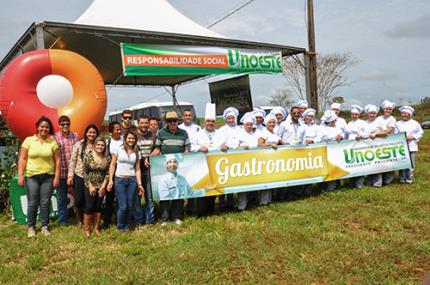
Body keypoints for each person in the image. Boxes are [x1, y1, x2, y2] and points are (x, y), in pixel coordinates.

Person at [18, 116, 60, 237]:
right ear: (37, 127)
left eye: (47, 127)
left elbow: (57, 160)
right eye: (42, 126)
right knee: (32, 203)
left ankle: (44, 226)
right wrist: (20, 175)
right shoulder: (29, 140)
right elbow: (23, 158)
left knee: (45, 202)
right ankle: (31, 227)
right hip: (31, 176)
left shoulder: (52, 142)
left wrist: (56, 177)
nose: (44, 129)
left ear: (49, 129)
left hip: (48, 176)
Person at [151, 111, 190, 225]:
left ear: (178, 121)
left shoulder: (184, 133)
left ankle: (177, 216)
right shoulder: (161, 133)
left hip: (179, 167)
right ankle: (165, 218)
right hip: (165, 167)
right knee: (165, 193)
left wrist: (185, 160)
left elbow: (187, 149)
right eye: (170, 121)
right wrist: (148, 159)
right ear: (166, 122)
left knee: (178, 192)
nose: (172, 123)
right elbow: (157, 149)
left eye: (174, 120)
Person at [108, 131, 144, 232]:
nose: (131, 140)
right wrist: (111, 180)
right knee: (123, 206)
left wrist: (140, 184)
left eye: (133, 138)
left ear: (135, 140)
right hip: (119, 180)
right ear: (125, 139)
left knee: (130, 205)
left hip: (132, 180)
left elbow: (137, 169)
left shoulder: (137, 152)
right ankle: (120, 227)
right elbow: (112, 164)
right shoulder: (118, 149)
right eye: (129, 138)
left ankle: (127, 226)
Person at [192, 103, 222, 218]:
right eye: (208, 121)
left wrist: (225, 146)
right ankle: (200, 213)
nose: (210, 123)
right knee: (202, 189)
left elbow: (227, 144)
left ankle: (210, 210)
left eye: (212, 121)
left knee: (213, 188)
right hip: (201, 165)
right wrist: (199, 148)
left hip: (215, 165)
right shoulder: (197, 134)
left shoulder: (220, 133)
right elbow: (191, 147)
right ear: (204, 122)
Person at [68, 124, 99, 226]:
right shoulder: (79, 144)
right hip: (79, 175)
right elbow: (73, 160)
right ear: (86, 133)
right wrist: (70, 175)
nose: (92, 134)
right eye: (90, 132)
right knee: (79, 199)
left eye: (94, 132)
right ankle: (79, 219)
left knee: (90, 200)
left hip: (93, 177)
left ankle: (88, 221)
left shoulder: (99, 144)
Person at [53, 115, 79, 226]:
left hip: (74, 172)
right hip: (61, 172)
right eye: (63, 124)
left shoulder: (75, 136)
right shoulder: (54, 138)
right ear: (59, 125)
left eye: (67, 123)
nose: (65, 125)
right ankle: (63, 220)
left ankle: (80, 218)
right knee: (61, 197)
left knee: (79, 196)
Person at [82, 137, 110, 237]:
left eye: (102, 145)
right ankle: (87, 228)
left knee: (98, 207)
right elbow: (84, 172)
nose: (100, 147)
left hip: (101, 185)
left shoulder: (107, 158)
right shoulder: (88, 156)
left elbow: (108, 173)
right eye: (98, 145)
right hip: (89, 185)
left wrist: (103, 187)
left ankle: (96, 227)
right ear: (94, 145)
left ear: (105, 147)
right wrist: (90, 186)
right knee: (89, 207)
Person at [217, 107, 241, 211]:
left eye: (232, 118)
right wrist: (223, 145)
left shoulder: (239, 129)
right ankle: (222, 202)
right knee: (223, 179)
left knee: (232, 179)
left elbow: (243, 140)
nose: (231, 120)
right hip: (224, 157)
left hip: (236, 158)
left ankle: (230, 202)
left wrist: (242, 145)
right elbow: (218, 142)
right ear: (226, 119)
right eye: (229, 118)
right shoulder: (222, 129)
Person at [178, 109, 201, 216]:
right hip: (183, 159)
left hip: (195, 159)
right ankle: (181, 207)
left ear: (192, 117)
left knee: (193, 183)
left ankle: (192, 207)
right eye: (186, 115)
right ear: (183, 117)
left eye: (189, 115)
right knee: (182, 184)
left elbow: (201, 143)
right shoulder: (179, 128)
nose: (188, 117)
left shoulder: (198, 128)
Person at [257, 114, 283, 205]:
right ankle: (262, 201)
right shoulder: (263, 132)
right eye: (270, 122)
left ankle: (268, 200)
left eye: (273, 122)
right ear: (266, 123)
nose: (272, 124)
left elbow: (281, 141)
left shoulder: (274, 133)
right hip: (265, 158)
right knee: (265, 179)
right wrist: (270, 145)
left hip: (274, 159)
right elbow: (260, 144)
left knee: (271, 179)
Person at [316, 110, 345, 191]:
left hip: (336, 151)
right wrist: (334, 137)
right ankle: (323, 187)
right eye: (334, 120)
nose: (335, 121)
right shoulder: (321, 128)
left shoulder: (336, 127)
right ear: (330, 121)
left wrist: (341, 136)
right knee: (326, 170)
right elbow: (323, 137)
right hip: (326, 152)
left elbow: (342, 133)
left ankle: (335, 186)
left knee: (336, 168)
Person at [237, 112, 260, 211]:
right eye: (247, 124)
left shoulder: (255, 135)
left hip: (254, 161)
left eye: (251, 124)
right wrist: (241, 147)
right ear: (244, 125)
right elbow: (233, 146)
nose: (249, 126)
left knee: (253, 183)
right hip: (242, 162)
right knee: (243, 184)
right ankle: (241, 206)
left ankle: (252, 202)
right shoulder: (239, 134)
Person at [136, 115, 156, 225]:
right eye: (142, 123)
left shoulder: (153, 135)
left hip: (149, 171)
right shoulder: (133, 135)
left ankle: (150, 221)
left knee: (149, 197)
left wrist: (151, 156)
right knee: (137, 198)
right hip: (137, 171)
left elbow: (158, 148)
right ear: (138, 123)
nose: (144, 125)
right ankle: (138, 220)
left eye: (146, 123)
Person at [395, 106, 423, 184]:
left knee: (411, 164)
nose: (404, 115)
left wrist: (413, 137)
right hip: (401, 146)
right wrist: (401, 138)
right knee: (402, 164)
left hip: (412, 146)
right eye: (403, 113)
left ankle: (409, 179)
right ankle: (401, 179)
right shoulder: (397, 123)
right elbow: (395, 134)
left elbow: (420, 133)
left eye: (406, 113)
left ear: (410, 114)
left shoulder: (415, 123)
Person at [103, 121, 123, 227]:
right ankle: (107, 220)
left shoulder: (125, 140)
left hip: (122, 172)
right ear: (111, 131)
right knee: (110, 197)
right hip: (111, 172)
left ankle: (120, 218)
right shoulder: (108, 142)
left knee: (120, 197)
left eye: (120, 129)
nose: (119, 131)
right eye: (117, 129)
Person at [373, 100, 397, 186]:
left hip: (390, 143)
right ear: (383, 109)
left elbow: (389, 131)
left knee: (389, 162)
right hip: (378, 143)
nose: (388, 110)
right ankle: (378, 181)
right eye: (386, 109)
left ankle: (387, 181)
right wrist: (381, 132)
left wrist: (377, 133)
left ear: (392, 110)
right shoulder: (379, 118)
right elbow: (374, 128)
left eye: (390, 109)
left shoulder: (392, 119)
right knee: (379, 163)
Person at [346, 105, 366, 188]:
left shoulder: (363, 123)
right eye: (353, 114)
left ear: (359, 115)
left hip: (359, 144)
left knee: (360, 164)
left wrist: (361, 135)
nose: (354, 116)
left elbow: (367, 133)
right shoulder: (349, 123)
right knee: (351, 164)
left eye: (356, 114)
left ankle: (359, 183)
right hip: (350, 145)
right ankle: (351, 182)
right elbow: (346, 134)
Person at [363, 104, 382, 187]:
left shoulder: (379, 122)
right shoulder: (364, 123)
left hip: (377, 145)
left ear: (376, 114)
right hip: (367, 146)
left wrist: (376, 134)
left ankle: (377, 182)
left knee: (378, 164)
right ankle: (369, 181)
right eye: (370, 113)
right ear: (368, 114)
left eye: (374, 113)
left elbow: (385, 132)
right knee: (369, 164)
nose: (372, 115)